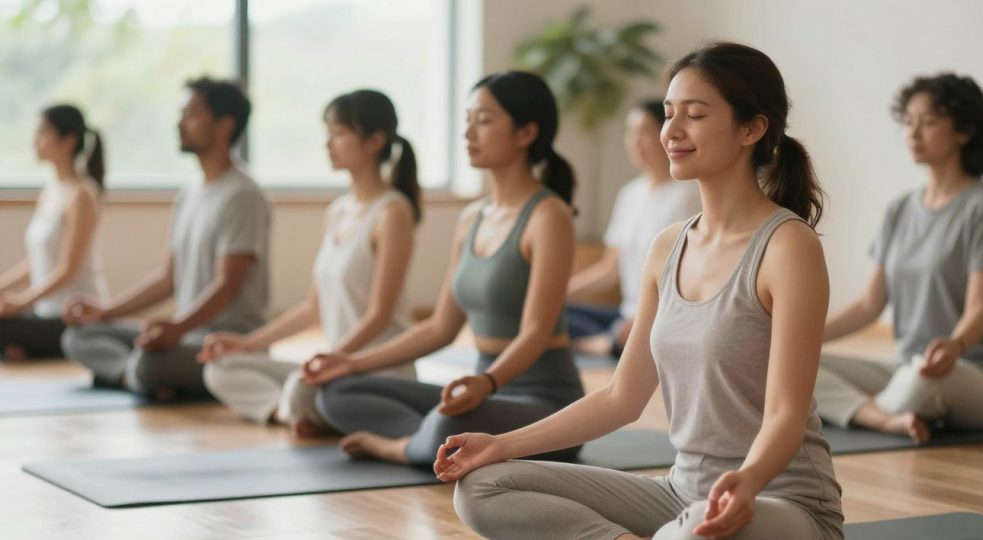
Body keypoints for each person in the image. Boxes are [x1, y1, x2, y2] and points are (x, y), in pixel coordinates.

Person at [436, 43, 844, 540]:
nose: (671, 130)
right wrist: (500, 444)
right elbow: (620, 397)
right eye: (670, 113)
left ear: (752, 129)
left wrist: (745, 482)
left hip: (782, 505)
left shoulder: (788, 247)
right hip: (678, 495)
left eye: (695, 115)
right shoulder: (667, 246)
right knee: (482, 487)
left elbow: (786, 414)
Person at [301, 71, 584, 466]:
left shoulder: (548, 216)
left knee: (442, 424)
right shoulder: (472, 217)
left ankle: (399, 446)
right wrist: (350, 362)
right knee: (337, 392)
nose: (469, 132)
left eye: (483, 121)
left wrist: (487, 382)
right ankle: (436, 440)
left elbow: (536, 332)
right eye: (467, 120)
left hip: (544, 404)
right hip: (481, 393)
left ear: (525, 133)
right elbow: (440, 328)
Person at [199, 89, 419, 433]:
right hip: (336, 366)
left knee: (302, 388)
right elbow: (313, 309)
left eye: (340, 133)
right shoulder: (337, 212)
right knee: (221, 368)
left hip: (374, 369)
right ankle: (290, 413)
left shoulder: (392, 213)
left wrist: (335, 359)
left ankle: (303, 410)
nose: (328, 144)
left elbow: (381, 315)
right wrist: (247, 343)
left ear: (375, 141)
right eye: (328, 133)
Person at [814, 73, 983, 444]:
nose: (913, 132)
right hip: (902, 367)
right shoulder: (899, 209)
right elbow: (869, 304)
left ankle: (868, 410)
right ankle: (885, 417)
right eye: (908, 122)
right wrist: (801, 339)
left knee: (919, 379)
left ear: (964, 130)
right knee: (790, 367)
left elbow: (980, 309)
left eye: (929, 122)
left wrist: (954, 345)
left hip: (971, 373)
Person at [62, 77, 270, 401]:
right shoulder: (189, 195)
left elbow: (227, 286)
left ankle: (141, 375)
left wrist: (178, 328)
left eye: (191, 114)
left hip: (225, 342)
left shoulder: (243, 195)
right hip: (185, 334)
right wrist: (105, 311)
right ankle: (143, 378)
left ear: (224, 125)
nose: (180, 123)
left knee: (149, 363)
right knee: (79, 336)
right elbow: (169, 278)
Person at [567, 99, 700, 357]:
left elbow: (687, 278)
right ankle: (607, 343)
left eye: (645, 132)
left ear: (664, 134)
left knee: (630, 333)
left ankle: (608, 344)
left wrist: (645, 319)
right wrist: (557, 294)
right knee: (553, 314)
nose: (635, 141)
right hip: (625, 314)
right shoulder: (630, 194)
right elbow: (609, 270)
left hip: (660, 317)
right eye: (630, 133)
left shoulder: (688, 195)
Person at [0, 105, 107, 361]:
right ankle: (19, 347)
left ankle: (22, 347)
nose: (35, 141)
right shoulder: (50, 191)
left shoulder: (82, 194)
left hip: (72, 315)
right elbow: (36, 261)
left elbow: (67, 268)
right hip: (43, 311)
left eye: (42, 133)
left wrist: (22, 302)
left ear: (68, 140)